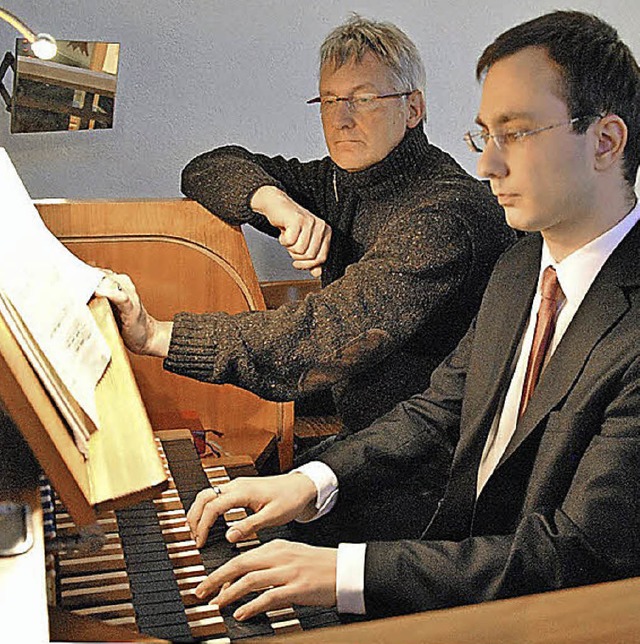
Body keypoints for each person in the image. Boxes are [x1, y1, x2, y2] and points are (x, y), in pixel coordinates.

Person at [142, 9, 639, 622]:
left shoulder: (456, 219)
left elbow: (576, 559)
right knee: (216, 571)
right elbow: (438, 411)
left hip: (537, 605)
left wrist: (346, 570)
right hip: (457, 546)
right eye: (485, 136)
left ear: (606, 142)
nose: (488, 166)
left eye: (517, 134)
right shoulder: (522, 272)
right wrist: (313, 480)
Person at [105, 16, 511, 446]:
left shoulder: (443, 216)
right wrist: (271, 200)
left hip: (435, 455)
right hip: (368, 427)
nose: (341, 119)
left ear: (413, 109)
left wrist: (156, 335)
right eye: (329, 100)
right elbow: (206, 167)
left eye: (364, 98)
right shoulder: (337, 180)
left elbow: (327, 331)